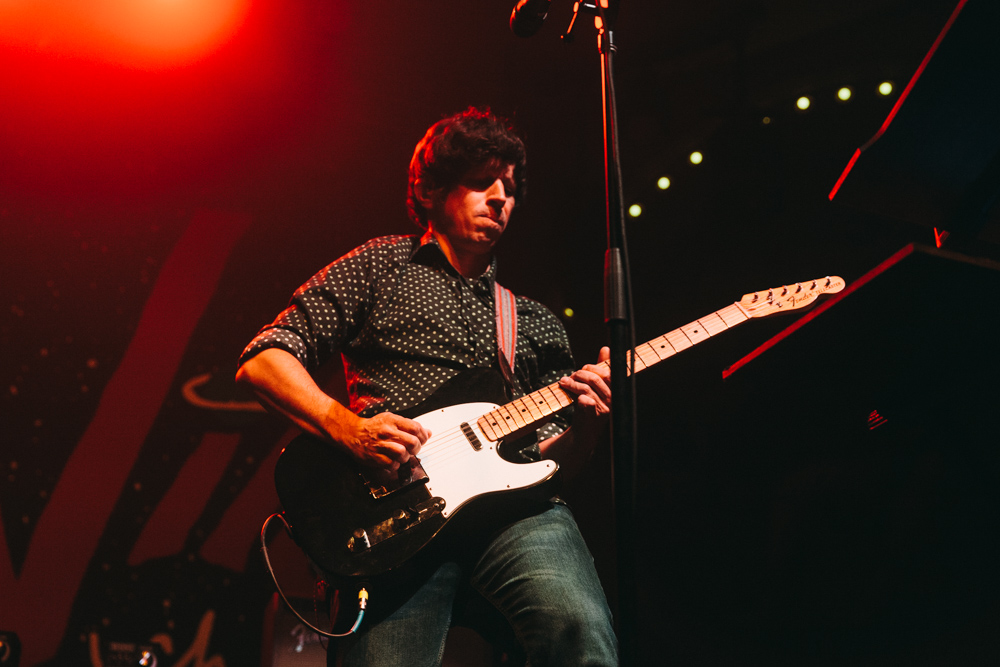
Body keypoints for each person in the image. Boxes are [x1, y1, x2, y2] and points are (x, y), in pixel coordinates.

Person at [236, 107, 618, 666]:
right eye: (481, 181)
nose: (499, 198)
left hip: (514, 513)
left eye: (510, 187)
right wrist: (350, 431)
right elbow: (264, 361)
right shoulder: (378, 267)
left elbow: (553, 458)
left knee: (579, 635)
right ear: (433, 189)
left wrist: (586, 426)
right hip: (394, 516)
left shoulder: (533, 320)